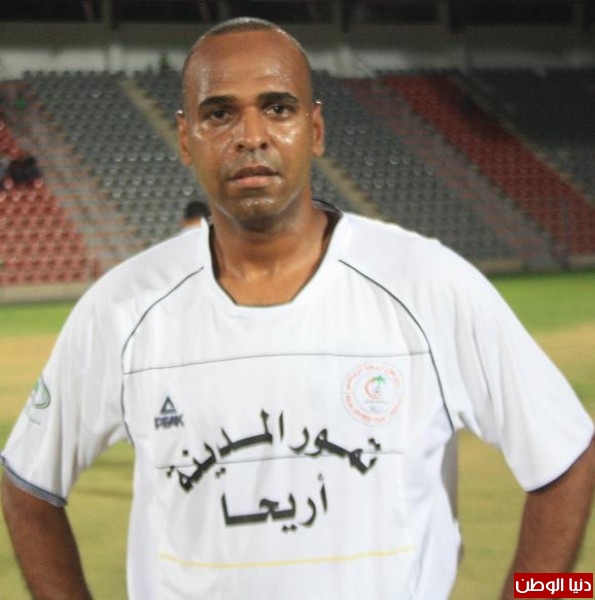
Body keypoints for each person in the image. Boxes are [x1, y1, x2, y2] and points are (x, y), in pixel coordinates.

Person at [1, 17, 593, 600]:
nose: (251, 135)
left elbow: (567, 456)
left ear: (315, 129)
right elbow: (27, 484)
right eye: (219, 113)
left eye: (278, 108)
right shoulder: (121, 309)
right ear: (185, 138)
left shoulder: (430, 285)